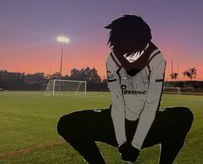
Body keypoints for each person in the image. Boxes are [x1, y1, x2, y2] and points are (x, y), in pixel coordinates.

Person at [57, 14, 194, 164]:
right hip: (117, 121)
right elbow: (117, 102)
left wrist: (136, 145)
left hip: (150, 123)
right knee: (66, 123)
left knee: (185, 115)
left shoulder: (156, 58)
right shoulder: (112, 58)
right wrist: (122, 143)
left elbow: (152, 104)